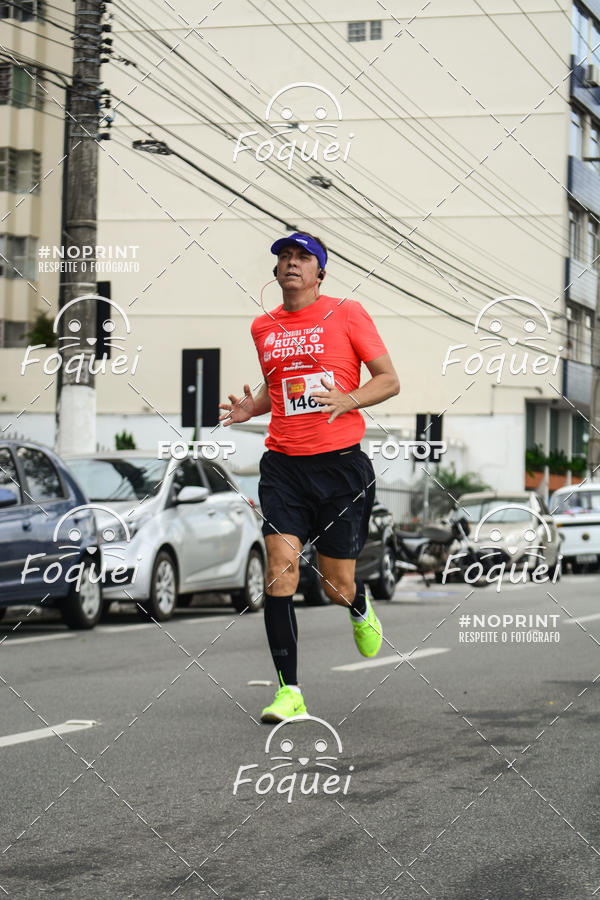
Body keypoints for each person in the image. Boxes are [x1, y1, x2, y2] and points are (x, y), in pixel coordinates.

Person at [219, 231, 400, 722]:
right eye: (284, 256)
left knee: (334, 586)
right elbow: (277, 389)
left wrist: (349, 399)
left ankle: (358, 601)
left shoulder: (348, 313)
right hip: (283, 465)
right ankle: (289, 691)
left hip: (340, 465)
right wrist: (247, 409)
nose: (291, 262)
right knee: (280, 568)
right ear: (276, 271)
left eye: (303, 257)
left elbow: (388, 379)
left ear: (320, 271)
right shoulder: (263, 326)